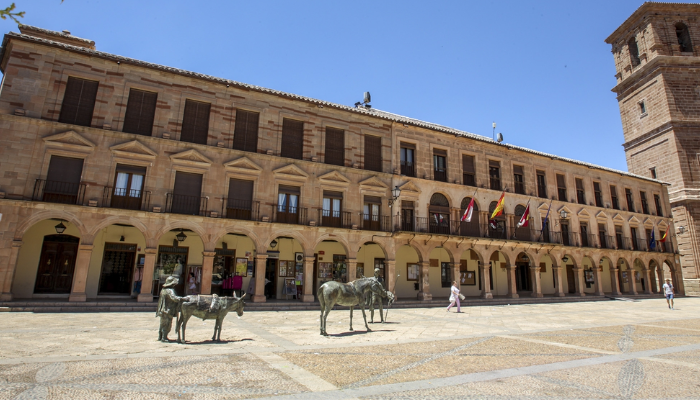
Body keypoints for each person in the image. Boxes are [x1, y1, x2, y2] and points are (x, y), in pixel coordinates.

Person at [156, 276, 185, 342]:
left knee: (162, 323)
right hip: (168, 309)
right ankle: (164, 337)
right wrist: (183, 299)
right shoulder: (170, 290)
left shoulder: (163, 290)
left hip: (162, 309)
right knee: (167, 323)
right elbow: (174, 298)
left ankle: (160, 336)